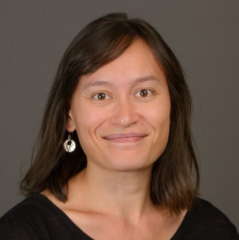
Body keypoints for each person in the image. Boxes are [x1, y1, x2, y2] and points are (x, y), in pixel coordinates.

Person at [0, 12, 238, 240]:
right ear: (68, 116)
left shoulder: (213, 230)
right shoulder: (22, 232)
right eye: (101, 96)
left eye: (144, 92)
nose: (125, 117)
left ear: (173, 107)